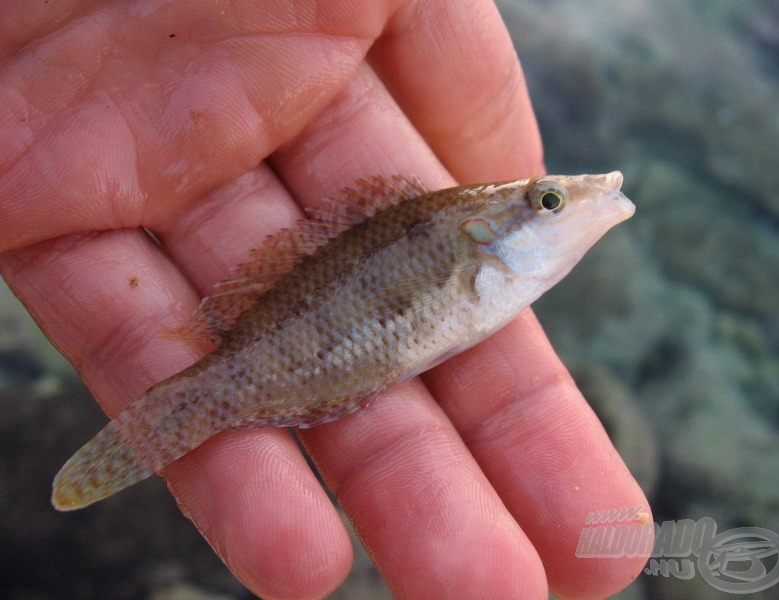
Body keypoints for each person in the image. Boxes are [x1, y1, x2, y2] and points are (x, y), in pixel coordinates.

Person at [0, 1, 650, 598]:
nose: (568, 203)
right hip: (289, 346)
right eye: (549, 201)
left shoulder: (477, 243)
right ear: (486, 231)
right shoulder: (469, 239)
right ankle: (163, 426)